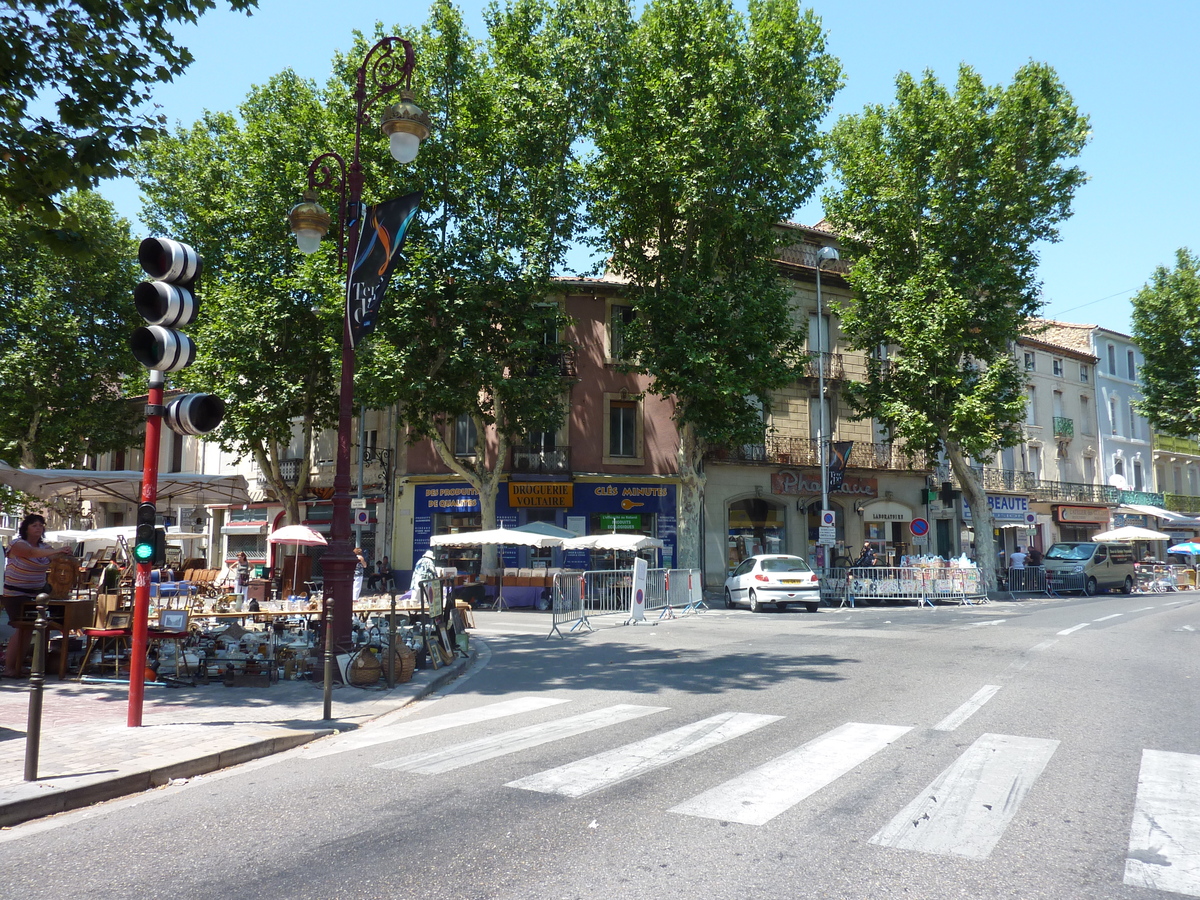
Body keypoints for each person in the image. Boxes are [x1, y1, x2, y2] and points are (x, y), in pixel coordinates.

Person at [3, 513, 72, 676]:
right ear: (26, 528)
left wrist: (65, 553)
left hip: (38, 593)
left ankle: (21, 665)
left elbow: (56, 559)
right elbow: (31, 553)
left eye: (40, 525)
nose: (38, 528)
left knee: (33, 629)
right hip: (15, 593)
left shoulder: (46, 548)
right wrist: (56, 551)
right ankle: (9, 668)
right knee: (22, 628)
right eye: (34, 525)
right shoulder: (17, 544)